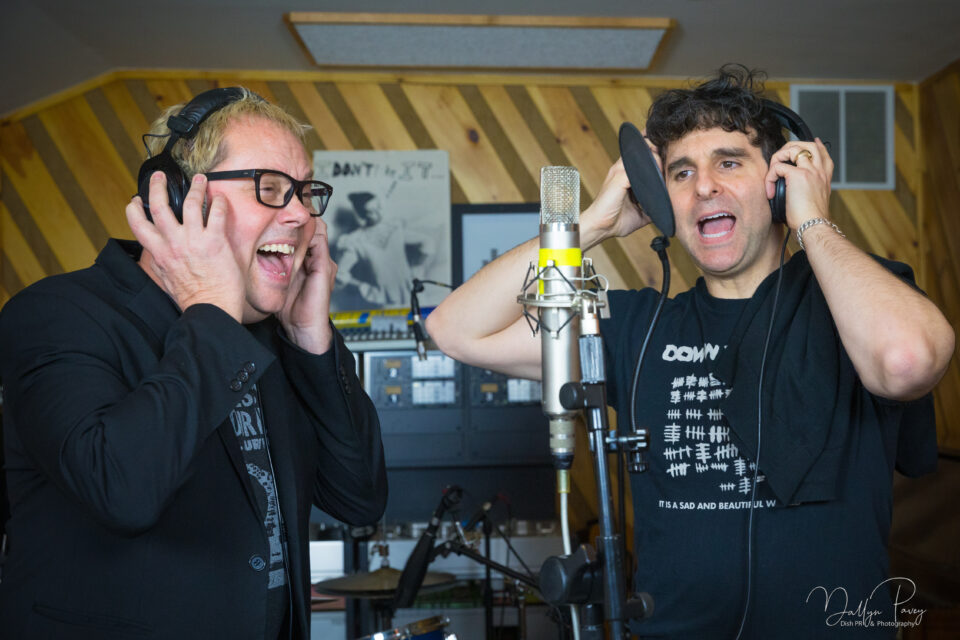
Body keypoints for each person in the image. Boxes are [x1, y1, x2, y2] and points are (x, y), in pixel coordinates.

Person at [426, 65, 955, 638]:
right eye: (682, 173)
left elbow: (906, 362)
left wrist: (812, 219)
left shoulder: (858, 305)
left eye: (728, 163)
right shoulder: (635, 326)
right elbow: (456, 330)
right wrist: (592, 226)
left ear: (778, 186)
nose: (703, 186)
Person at [0, 88, 388, 639]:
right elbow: (121, 491)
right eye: (270, 187)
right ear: (182, 197)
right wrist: (210, 311)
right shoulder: (56, 314)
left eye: (305, 192)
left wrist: (310, 337)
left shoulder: (275, 338)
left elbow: (359, 497)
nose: (301, 214)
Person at [333, 191, 436, 307]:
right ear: (362, 214)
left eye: (378, 207)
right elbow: (340, 273)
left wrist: (416, 268)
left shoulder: (394, 228)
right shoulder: (355, 241)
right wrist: (364, 288)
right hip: (387, 302)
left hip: (415, 296)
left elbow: (427, 242)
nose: (378, 213)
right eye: (371, 211)